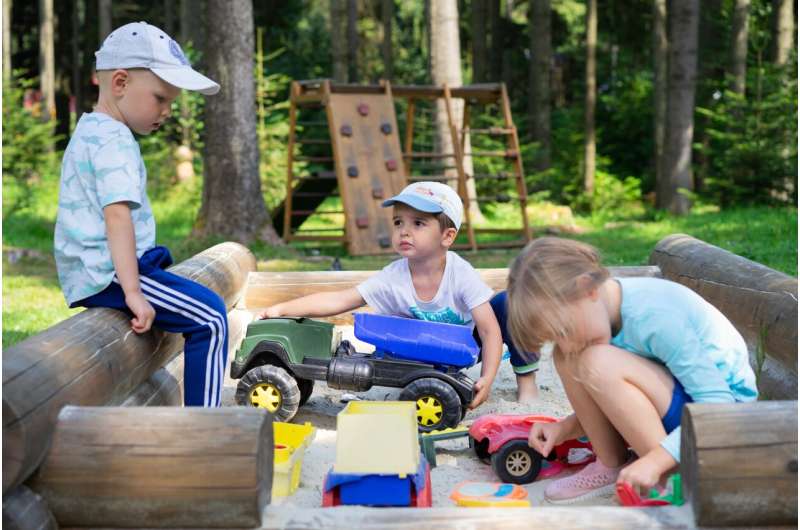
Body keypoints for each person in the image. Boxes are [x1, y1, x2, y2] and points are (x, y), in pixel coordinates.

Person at [506, 237, 757, 503]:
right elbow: (622, 397)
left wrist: (656, 461)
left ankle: (667, 479)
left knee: (596, 361)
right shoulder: (600, 317)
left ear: (588, 289)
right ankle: (610, 463)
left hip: (723, 422)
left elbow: (719, 405)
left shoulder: (653, 316)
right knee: (568, 358)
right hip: (680, 412)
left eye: (565, 330)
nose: (567, 344)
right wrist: (565, 429)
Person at [54, 22, 225, 407]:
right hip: (111, 274)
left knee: (195, 303)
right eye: (160, 99)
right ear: (119, 83)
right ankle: (208, 428)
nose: (166, 112)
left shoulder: (92, 131)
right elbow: (117, 217)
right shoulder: (114, 141)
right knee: (211, 318)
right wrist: (133, 291)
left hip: (100, 270)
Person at [258, 181, 503, 409]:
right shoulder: (393, 276)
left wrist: (488, 378)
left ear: (447, 236)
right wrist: (280, 310)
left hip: (461, 348)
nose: (404, 232)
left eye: (418, 223)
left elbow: (489, 330)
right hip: (416, 353)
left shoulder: (460, 275)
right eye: (398, 222)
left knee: (505, 306)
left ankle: (527, 375)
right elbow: (342, 299)